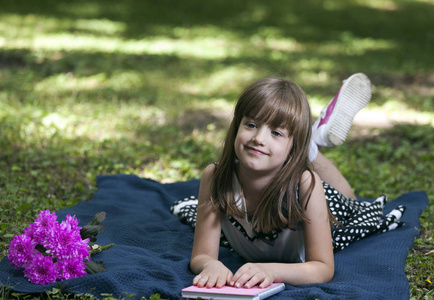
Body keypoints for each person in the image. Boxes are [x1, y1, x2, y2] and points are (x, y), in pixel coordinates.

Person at [171, 73, 405, 290]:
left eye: (276, 133)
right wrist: (210, 265)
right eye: (251, 125)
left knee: (350, 206)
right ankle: (308, 143)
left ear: (292, 147)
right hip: (253, 228)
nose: (258, 138)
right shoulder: (215, 177)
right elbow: (202, 255)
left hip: (301, 197)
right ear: (236, 126)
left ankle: (311, 148)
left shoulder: (306, 186)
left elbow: (323, 267)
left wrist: (270, 270)